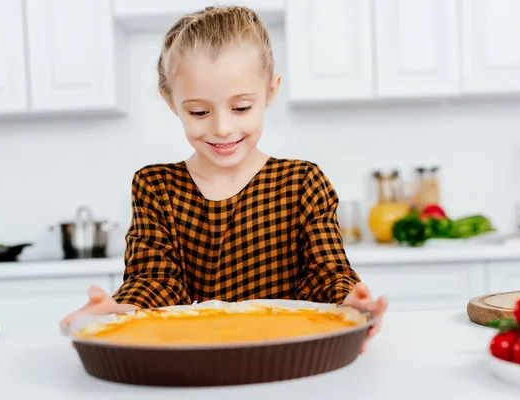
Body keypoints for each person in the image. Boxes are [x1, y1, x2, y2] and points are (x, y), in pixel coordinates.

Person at [60, 5, 388, 352]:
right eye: (199, 112)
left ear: (271, 92)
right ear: (171, 102)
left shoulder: (302, 181)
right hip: (191, 364)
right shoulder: (156, 187)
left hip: (283, 359)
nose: (222, 128)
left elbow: (326, 274)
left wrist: (352, 302)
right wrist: (119, 310)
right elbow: (155, 283)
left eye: (241, 107)